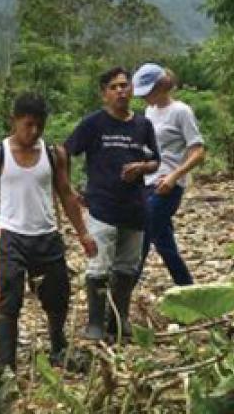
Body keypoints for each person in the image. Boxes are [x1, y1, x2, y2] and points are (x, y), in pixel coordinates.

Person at [0, 93, 96, 371]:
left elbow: (65, 193)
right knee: (8, 301)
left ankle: (58, 347)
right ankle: (5, 365)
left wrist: (83, 233)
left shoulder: (54, 154)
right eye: (28, 125)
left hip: (47, 234)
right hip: (9, 236)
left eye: (39, 125)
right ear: (14, 121)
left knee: (58, 296)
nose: (34, 131)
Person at [63, 66, 159, 341]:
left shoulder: (143, 124)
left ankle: (119, 320)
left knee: (127, 268)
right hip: (102, 208)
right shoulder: (93, 124)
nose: (121, 91)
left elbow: (155, 161)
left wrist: (142, 167)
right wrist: (69, 189)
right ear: (104, 94)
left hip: (135, 208)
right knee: (98, 268)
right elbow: (64, 152)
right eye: (115, 87)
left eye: (125, 86)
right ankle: (95, 323)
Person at [134, 63, 204, 286]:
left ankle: (120, 297)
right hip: (148, 182)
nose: (144, 97)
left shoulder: (181, 111)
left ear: (161, 87)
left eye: (148, 92)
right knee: (163, 242)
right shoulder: (149, 112)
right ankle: (189, 290)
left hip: (168, 185)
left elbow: (198, 151)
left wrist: (175, 176)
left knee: (142, 235)